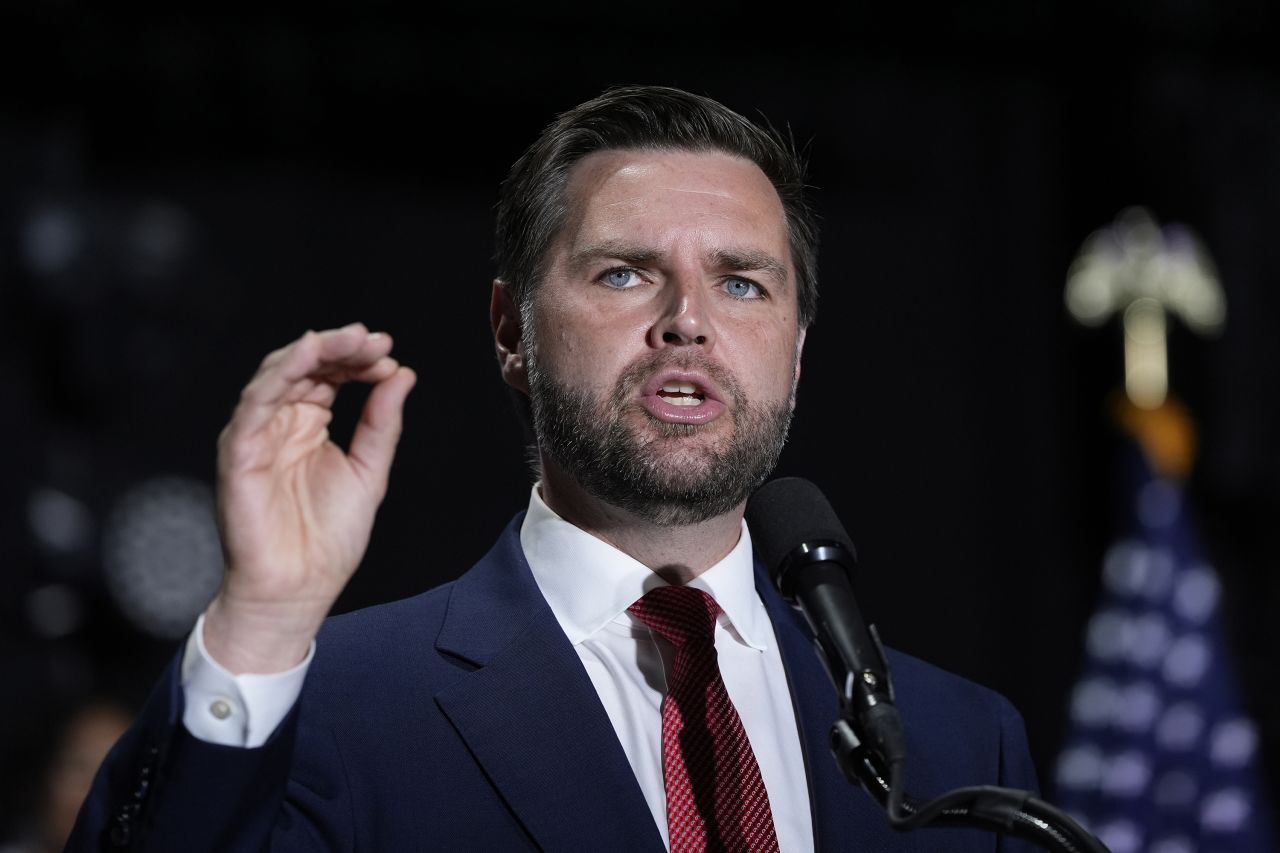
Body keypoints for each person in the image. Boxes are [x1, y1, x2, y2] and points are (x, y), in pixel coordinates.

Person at [68, 85, 1039, 852]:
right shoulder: (337, 709)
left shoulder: (959, 744)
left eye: (740, 282)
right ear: (510, 332)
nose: (686, 319)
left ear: (793, 349)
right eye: (623, 272)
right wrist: (266, 620)